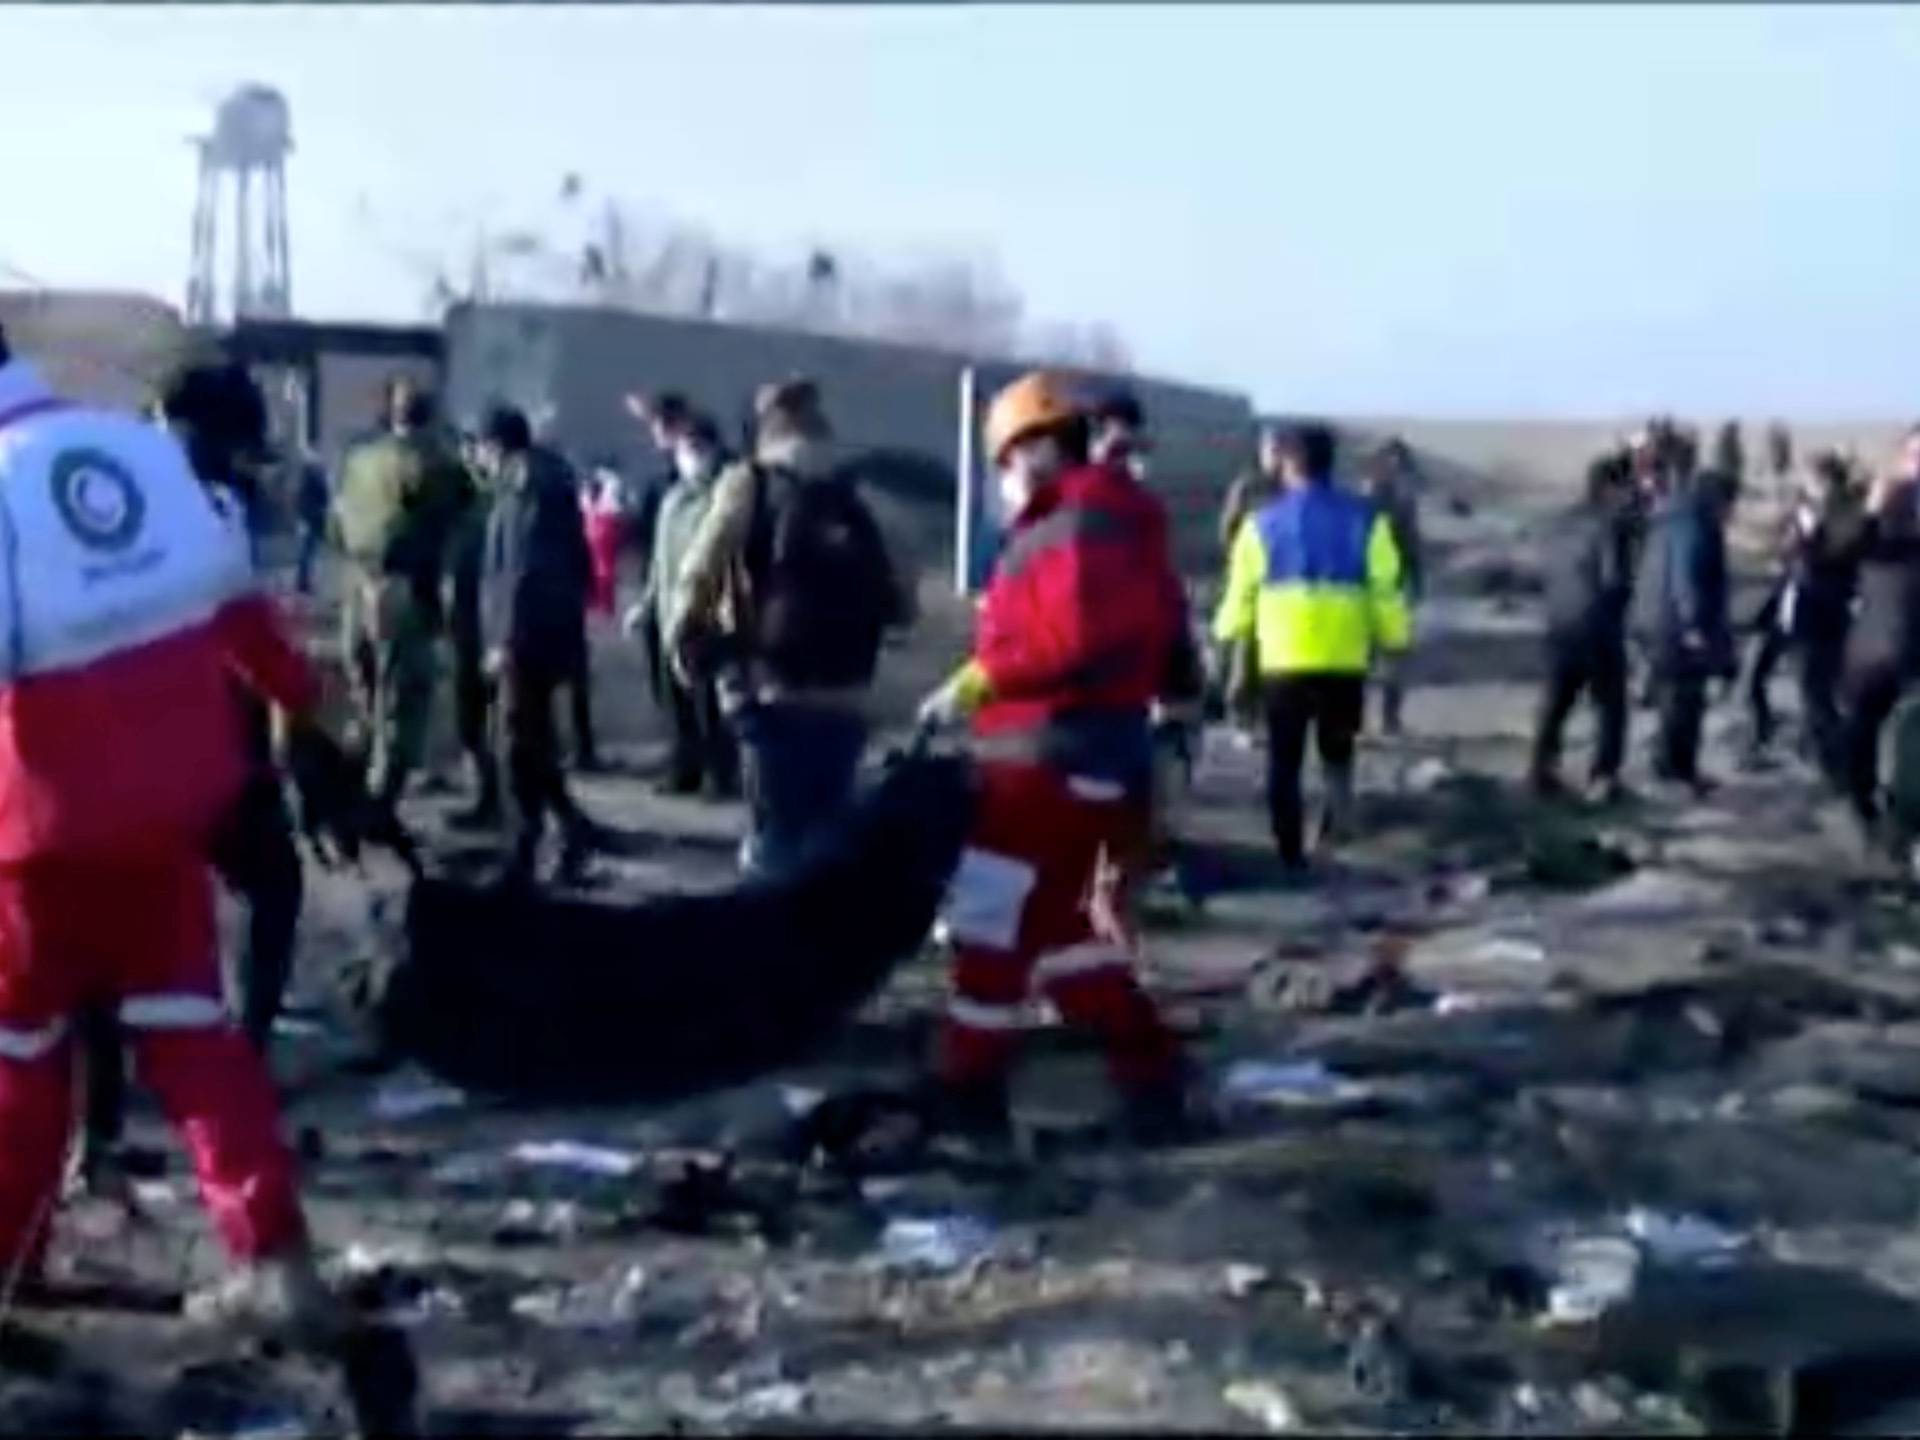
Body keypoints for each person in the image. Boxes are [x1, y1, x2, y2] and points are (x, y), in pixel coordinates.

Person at [0, 329, 361, 1336]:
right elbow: (241, 616)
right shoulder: (145, 452)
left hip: (40, 823)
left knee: (22, 1051)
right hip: (171, 812)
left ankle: (12, 1259)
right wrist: (308, 709)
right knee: (195, 1042)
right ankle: (278, 1265)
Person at [917, 371, 1198, 1146]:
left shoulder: (1070, 524)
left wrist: (984, 680)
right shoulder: (1124, 521)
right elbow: (1158, 634)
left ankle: (968, 1090)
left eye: (1008, 460)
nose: (1005, 479)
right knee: (1072, 939)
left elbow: (1067, 639)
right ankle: (1150, 1077)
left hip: (1038, 768)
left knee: (988, 922)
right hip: (1099, 763)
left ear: (1037, 448)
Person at [76, 362, 329, 1199]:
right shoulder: (209, 503)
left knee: (96, 942)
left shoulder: (99, 478)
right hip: (201, 740)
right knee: (270, 889)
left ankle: (98, 1135)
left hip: (96, 744)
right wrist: (297, 721)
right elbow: (237, 629)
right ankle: (244, 1061)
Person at [668, 378, 910, 876]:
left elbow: (703, 562)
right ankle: (824, 942)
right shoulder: (851, 492)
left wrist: (684, 633)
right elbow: (902, 592)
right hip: (846, 688)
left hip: (770, 682)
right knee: (827, 837)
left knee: (773, 838)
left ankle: (762, 942)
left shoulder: (750, 481)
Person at [1213, 422, 1410, 874]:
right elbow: (1386, 591)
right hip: (1345, 657)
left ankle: (1289, 850)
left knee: (1284, 758)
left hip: (1284, 659)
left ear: (1288, 463)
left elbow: (1240, 597)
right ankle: (1335, 827)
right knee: (1337, 750)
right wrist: (1394, 640)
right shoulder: (1368, 522)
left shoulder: (1260, 526)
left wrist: (1223, 642)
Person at [330, 374, 472, 820]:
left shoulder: (358, 460)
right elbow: (461, 523)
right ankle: (379, 798)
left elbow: (334, 526)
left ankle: (353, 784)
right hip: (402, 588)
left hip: (356, 582)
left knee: (363, 688)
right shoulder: (436, 464)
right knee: (402, 696)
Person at [476, 405, 600, 888]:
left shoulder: (528, 487)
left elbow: (522, 569)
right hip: (544, 632)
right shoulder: (542, 481)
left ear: (497, 445)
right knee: (532, 740)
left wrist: (504, 639)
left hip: (528, 636)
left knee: (515, 742)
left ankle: (524, 849)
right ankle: (570, 831)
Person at [629, 414, 739, 798]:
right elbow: (661, 559)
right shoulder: (673, 499)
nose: (689, 457)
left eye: (697, 449)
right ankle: (685, 767)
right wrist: (645, 603)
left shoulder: (724, 496)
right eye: (684, 449)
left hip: (704, 613)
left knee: (708, 700)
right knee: (675, 699)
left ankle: (719, 772)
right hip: (667, 610)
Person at [1742, 451, 1862, 771]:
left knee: (1817, 692)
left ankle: (1832, 761)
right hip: (1785, 606)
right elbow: (1784, 547)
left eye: (1813, 481)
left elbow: (1835, 559)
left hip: (1820, 614)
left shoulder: (1847, 516)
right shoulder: (1803, 511)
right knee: (1754, 677)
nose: (1809, 488)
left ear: (1829, 482)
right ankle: (1761, 737)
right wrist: (1786, 544)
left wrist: (1807, 538)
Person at [1629, 438, 1736, 794]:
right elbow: (1685, 575)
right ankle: (1677, 771)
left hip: (1653, 618)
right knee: (1683, 701)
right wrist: (1693, 625)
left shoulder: (1669, 515)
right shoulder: (1695, 523)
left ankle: (1673, 767)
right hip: (1674, 624)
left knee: (1673, 699)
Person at [1530, 454, 1635, 800]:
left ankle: (1540, 770)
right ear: (1612, 488)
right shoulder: (1610, 525)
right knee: (1611, 706)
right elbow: (1614, 579)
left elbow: (1544, 571)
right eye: (1626, 486)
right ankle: (1604, 775)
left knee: (1556, 702)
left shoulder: (1559, 522)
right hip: (1596, 625)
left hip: (1557, 621)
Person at [1837, 427, 1920, 847]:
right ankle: (1864, 812)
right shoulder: (1875, 523)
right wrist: (1872, 507)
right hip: (1873, 649)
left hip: (1912, 652)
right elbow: (1838, 552)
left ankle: (1904, 826)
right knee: (1862, 736)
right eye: (1915, 457)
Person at [624, 391, 695, 716]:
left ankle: (694, 753)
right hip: (660, 584)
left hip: (683, 585)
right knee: (665, 678)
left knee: (686, 677)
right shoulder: (661, 477)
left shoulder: (684, 476)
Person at [1357, 438, 1425, 737]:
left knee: (1390, 657)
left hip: (1389, 585)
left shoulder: (1398, 499)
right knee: (1373, 657)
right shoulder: (1373, 499)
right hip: (1374, 585)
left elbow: (1412, 543)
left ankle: (1387, 719)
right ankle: (1378, 720)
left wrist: (1417, 579)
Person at [292, 444, 329, 597]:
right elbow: (305, 499)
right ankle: (303, 584)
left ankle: (304, 583)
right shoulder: (310, 478)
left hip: (311, 518)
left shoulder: (310, 477)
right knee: (307, 553)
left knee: (308, 553)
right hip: (310, 518)